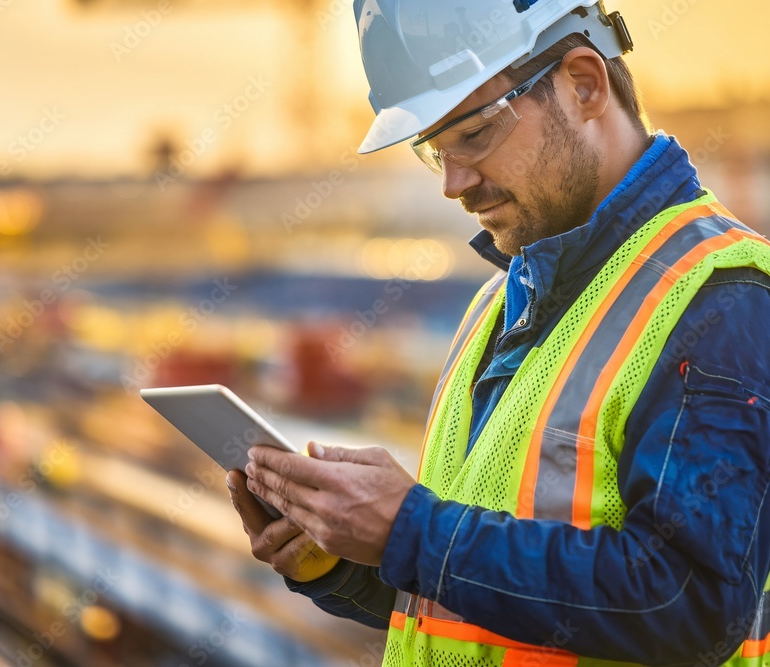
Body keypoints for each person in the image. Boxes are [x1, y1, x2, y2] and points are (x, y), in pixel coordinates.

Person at [227, 1, 770, 664]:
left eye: (476, 132)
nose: (455, 183)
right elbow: (477, 602)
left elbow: (690, 604)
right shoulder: (499, 303)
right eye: (435, 150)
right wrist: (340, 553)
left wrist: (411, 531)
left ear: (583, 83)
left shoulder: (719, 300)